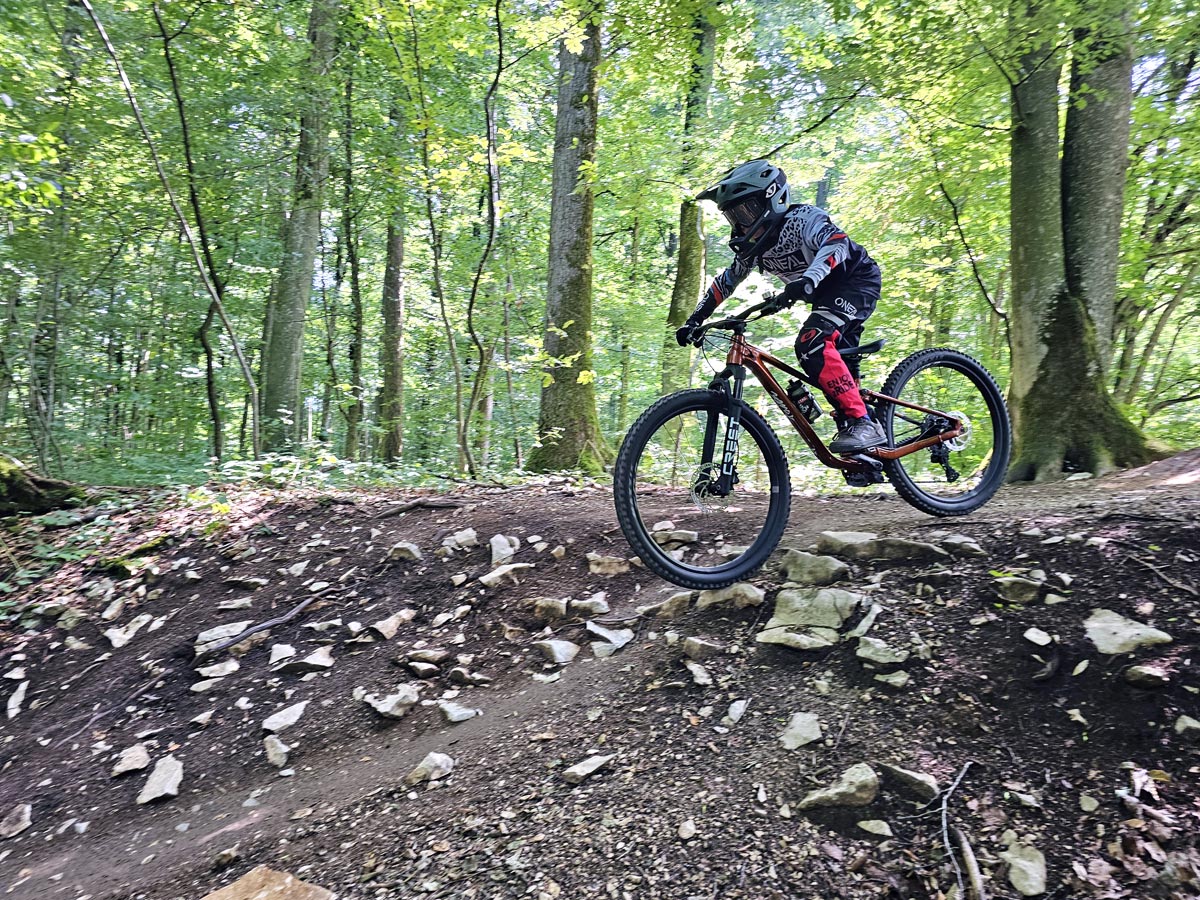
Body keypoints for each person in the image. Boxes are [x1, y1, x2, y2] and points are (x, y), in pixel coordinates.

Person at [677, 158, 888, 455]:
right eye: (733, 216)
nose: (741, 223)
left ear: (773, 199)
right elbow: (727, 281)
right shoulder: (753, 247)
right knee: (830, 368)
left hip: (855, 281)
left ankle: (863, 423)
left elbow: (837, 242)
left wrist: (808, 279)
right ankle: (868, 452)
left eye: (746, 211)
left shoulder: (803, 219)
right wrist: (695, 319)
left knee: (811, 343)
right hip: (821, 295)